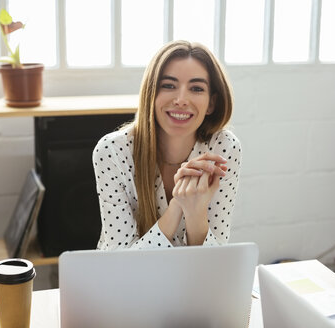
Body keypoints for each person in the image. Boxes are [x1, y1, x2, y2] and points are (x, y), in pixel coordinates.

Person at [92, 40, 241, 250]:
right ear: (151, 94)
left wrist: (195, 212)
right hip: (125, 281)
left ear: (211, 103)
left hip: (189, 277)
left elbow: (213, 259)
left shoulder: (224, 147)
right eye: (169, 85)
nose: (181, 99)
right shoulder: (112, 152)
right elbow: (122, 264)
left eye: (196, 88)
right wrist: (178, 206)